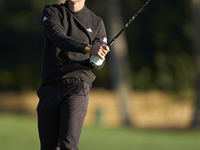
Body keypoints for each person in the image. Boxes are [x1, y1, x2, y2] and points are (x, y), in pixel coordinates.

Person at [36, 0, 110, 150]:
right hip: (50, 86)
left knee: (68, 145)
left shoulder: (96, 22)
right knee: (48, 147)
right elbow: (59, 39)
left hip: (77, 87)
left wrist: (97, 60)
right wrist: (90, 49)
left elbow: (99, 64)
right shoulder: (51, 12)